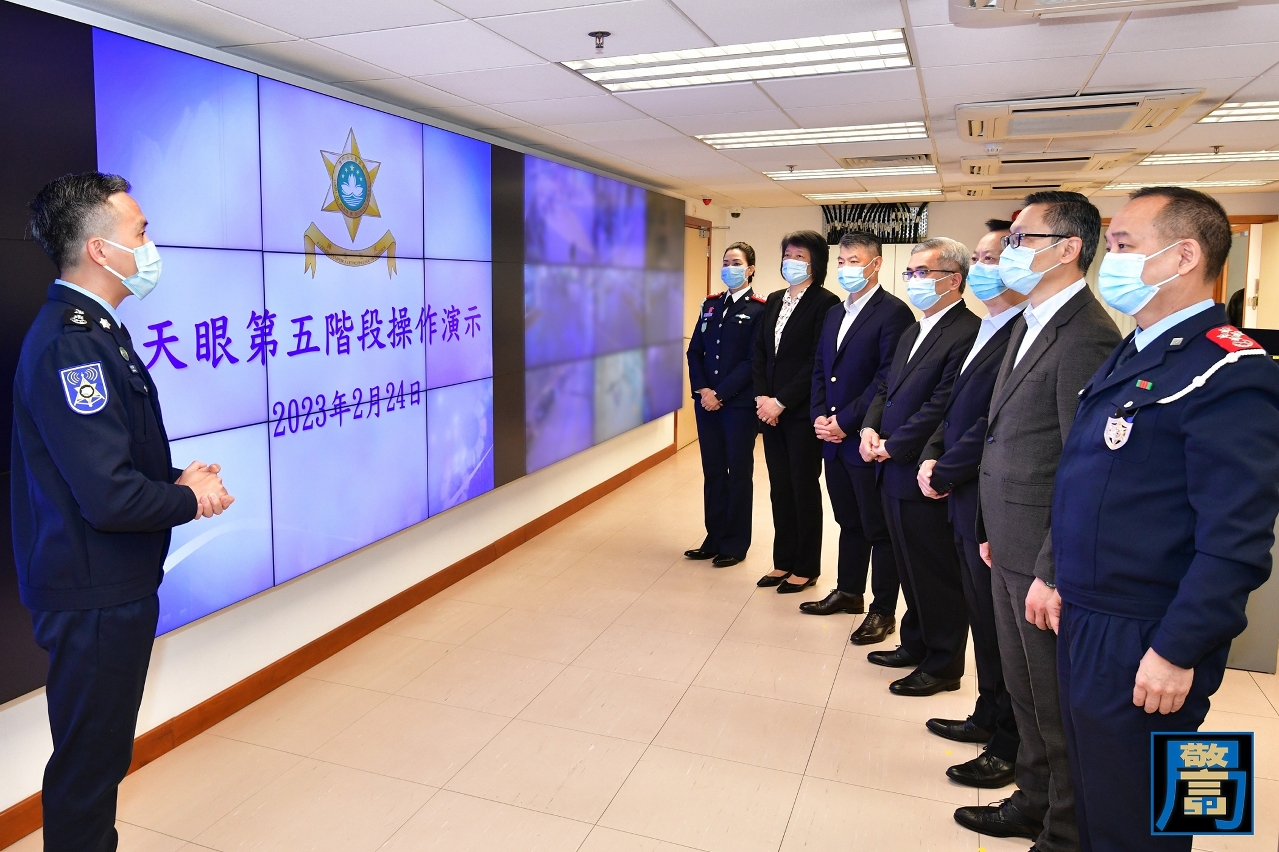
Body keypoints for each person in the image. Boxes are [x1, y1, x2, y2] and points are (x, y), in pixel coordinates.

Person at [12, 173, 234, 852]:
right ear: (100, 251)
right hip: (94, 593)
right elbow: (108, 494)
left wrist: (173, 480)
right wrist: (189, 498)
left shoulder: (96, 332)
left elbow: (107, 459)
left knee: (98, 757)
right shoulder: (71, 345)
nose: (150, 245)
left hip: (109, 584)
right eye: (140, 232)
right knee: (89, 768)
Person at [1055, 187, 1279, 851]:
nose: (1109, 261)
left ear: (1183, 256)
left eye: (1123, 245)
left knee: (1147, 820)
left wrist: (1178, 650)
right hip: (1094, 615)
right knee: (1102, 799)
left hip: (1151, 633)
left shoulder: (1232, 368)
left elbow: (1237, 541)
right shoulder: (1139, 347)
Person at [955, 191, 1120, 849]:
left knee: (1051, 700)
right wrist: (990, 530)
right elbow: (1006, 437)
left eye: (1022, 239)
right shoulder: (1031, 321)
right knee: (1024, 689)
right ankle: (1031, 798)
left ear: (1068, 248)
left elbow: (1082, 468)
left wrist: (1051, 568)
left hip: (1043, 555)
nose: (1009, 251)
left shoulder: (1085, 335)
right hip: (1009, 539)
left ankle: (1064, 828)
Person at [918, 220, 1025, 788]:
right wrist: (934, 454)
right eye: (979, 258)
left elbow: (991, 423)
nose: (984, 268)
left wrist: (943, 467)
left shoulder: (1024, 332)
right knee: (984, 620)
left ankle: (1010, 742)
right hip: (964, 496)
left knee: (1006, 634)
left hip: (990, 501)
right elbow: (954, 409)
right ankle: (988, 712)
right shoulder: (989, 325)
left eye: (993, 258)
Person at [859, 237, 980, 694]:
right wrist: (869, 429)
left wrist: (896, 445)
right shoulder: (914, 329)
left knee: (935, 572)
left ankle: (943, 664)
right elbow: (886, 388)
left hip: (920, 468)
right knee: (907, 565)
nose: (912, 281)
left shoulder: (966, 331)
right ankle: (915, 643)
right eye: (909, 273)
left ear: (953, 279)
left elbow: (942, 404)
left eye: (922, 273)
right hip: (889, 465)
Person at [803, 232, 912, 647]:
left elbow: (886, 379)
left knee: (878, 528)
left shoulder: (893, 313)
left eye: (855, 261)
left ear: (875, 263)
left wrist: (845, 422)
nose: (846, 268)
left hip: (863, 437)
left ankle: (883, 610)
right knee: (847, 521)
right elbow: (820, 368)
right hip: (832, 439)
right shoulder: (835, 311)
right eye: (842, 261)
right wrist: (819, 415)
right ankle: (849, 591)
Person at [752, 230, 840, 592]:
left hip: (801, 412)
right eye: (787, 254)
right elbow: (760, 352)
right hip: (769, 411)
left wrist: (781, 401)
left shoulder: (826, 303)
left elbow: (816, 361)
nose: (791, 261)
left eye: (799, 256)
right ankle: (782, 561)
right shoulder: (774, 299)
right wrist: (763, 398)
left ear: (815, 262)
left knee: (803, 487)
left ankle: (806, 567)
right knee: (779, 488)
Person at [685, 242, 767, 567]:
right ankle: (714, 538)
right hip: (706, 405)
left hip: (738, 406)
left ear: (750, 269)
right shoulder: (710, 305)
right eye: (725, 262)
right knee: (714, 471)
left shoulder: (759, 309)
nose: (728, 268)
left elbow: (752, 361)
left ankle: (735, 543)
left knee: (738, 473)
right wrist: (704, 390)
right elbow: (695, 352)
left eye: (736, 263)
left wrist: (720, 394)